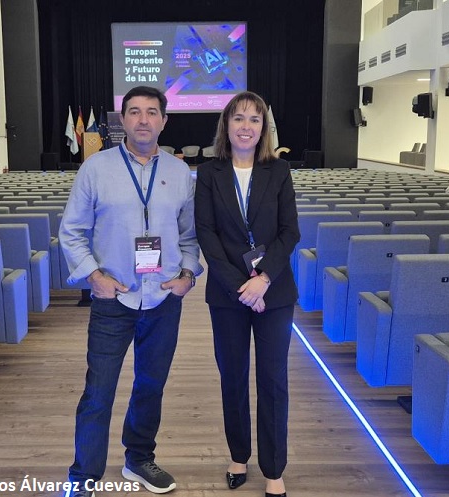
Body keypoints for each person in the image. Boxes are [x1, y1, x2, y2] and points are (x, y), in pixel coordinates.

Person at [59, 86, 203, 497]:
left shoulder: (180, 173)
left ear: (164, 121)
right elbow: (71, 231)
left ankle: (138, 459)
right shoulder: (96, 168)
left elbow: (190, 235)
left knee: (150, 387)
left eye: (152, 112)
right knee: (98, 393)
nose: (143, 119)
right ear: (122, 119)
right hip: (114, 299)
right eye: (134, 111)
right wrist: (94, 277)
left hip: (162, 299)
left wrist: (188, 274)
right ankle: (83, 478)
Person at [194, 91, 300, 497]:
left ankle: (274, 469)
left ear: (263, 129)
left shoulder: (279, 170)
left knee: (273, 380)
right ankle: (238, 455)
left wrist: (264, 278)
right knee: (233, 377)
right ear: (226, 125)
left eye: (255, 119)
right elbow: (207, 234)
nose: (246, 126)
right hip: (228, 295)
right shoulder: (209, 173)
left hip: (274, 293)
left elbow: (290, 231)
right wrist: (242, 286)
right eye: (238, 118)